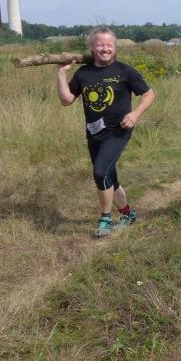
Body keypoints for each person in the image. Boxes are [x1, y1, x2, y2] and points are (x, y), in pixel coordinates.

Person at [56, 26, 156, 238]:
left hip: (119, 131)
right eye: (100, 44)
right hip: (94, 133)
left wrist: (135, 115)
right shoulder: (83, 73)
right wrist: (61, 73)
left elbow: (149, 94)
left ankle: (105, 219)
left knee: (100, 172)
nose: (105, 49)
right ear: (92, 47)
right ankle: (127, 215)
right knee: (109, 176)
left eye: (109, 45)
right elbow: (66, 100)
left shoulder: (124, 71)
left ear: (115, 47)